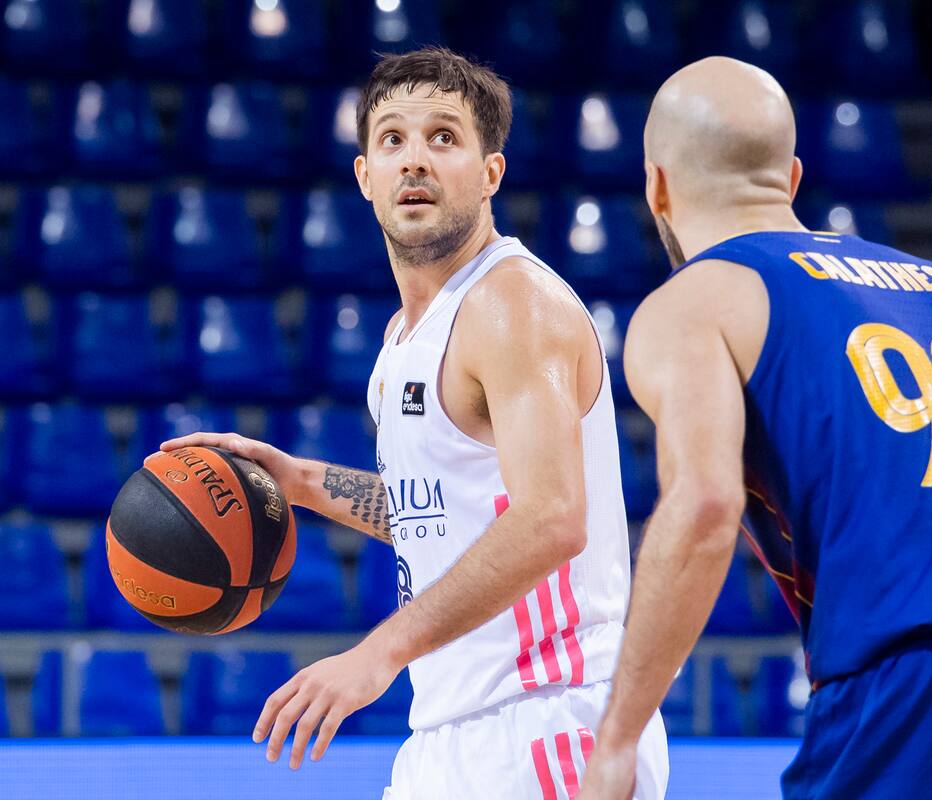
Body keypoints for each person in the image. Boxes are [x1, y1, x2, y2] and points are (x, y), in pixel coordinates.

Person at [578, 57, 932, 800]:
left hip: (917, 692)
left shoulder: (694, 301)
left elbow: (706, 506)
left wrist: (618, 741)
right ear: (791, 178)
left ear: (657, 186)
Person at [159, 47, 667, 800]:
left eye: (444, 137)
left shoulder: (510, 303)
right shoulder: (401, 343)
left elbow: (554, 518)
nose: (415, 161)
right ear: (365, 177)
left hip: (550, 717)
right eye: (392, 139)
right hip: (448, 734)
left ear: (491, 172)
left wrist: (378, 655)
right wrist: (302, 482)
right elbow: (447, 522)